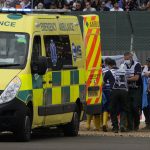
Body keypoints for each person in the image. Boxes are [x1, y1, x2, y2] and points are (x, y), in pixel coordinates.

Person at [107, 59, 129, 133]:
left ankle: (115, 127)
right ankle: (122, 125)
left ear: (109, 65)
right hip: (124, 91)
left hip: (114, 91)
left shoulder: (109, 72)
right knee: (124, 108)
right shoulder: (123, 71)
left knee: (112, 109)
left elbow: (103, 82)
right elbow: (127, 79)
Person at [122, 52, 142, 131]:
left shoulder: (137, 65)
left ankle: (136, 125)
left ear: (131, 57)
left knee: (135, 107)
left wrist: (126, 79)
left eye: (127, 59)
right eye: (125, 59)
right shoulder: (123, 65)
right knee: (128, 108)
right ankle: (130, 126)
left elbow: (136, 78)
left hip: (136, 89)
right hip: (127, 89)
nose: (126, 60)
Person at [142, 57, 150, 129]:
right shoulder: (145, 68)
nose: (147, 63)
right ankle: (147, 123)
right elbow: (143, 74)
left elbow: (146, 74)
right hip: (146, 92)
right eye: (147, 62)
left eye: (148, 62)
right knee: (146, 107)